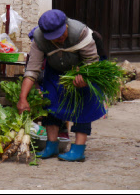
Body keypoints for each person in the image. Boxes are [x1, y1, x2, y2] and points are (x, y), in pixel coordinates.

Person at [17, 9, 102, 162]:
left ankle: (78, 149)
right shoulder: (39, 38)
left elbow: (92, 62)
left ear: (66, 26)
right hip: (55, 72)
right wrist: (23, 98)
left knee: (82, 104)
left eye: (61, 35)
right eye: (53, 38)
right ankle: (52, 145)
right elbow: (32, 69)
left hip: (81, 72)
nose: (59, 40)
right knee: (51, 103)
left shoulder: (80, 33)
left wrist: (85, 75)